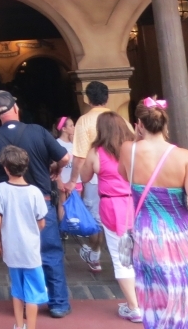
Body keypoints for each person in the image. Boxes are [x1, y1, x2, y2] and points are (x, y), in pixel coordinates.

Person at [118, 97, 188, 329]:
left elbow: (124, 175)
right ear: (165, 124)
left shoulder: (128, 150)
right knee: (185, 290)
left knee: (154, 292)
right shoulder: (183, 156)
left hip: (146, 234)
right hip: (181, 234)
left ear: (139, 123)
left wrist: (137, 139)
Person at [0, 91, 71, 319]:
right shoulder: (37, 131)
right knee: (50, 253)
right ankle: (57, 303)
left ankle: (25, 305)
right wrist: (55, 170)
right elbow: (65, 158)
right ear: (16, 108)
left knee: (17, 257)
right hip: (41, 202)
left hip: (8, 208)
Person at [79, 111, 141, 323]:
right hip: (136, 203)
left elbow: (85, 176)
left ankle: (135, 307)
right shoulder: (134, 149)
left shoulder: (97, 152)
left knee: (121, 257)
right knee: (138, 254)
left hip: (113, 206)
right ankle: (142, 300)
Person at [0, 145, 49, 329]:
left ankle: (18, 324)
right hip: (30, 250)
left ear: (6, 168)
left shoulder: (0, 189)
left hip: (11, 248)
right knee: (32, 292)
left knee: (17, 289)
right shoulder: (35, 192)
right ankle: (30, 326)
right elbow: (41, 222)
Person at [69, 81, 110, 273]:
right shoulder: (118, 119)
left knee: (95, 221)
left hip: (94, 177)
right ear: (107, 97)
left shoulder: (84, 121)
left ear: (87, 98)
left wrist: (73, 180)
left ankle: (95, 256)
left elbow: (79, 156)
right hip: (119, 177)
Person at [53, 117, 76, 214]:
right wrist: (59, 181)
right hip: (64, 180)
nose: (74, 127)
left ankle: (76, 228)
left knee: (76, 204)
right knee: (63, 204)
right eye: (71, 126)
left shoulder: (74, 143)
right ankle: (63, 228)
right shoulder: (57, 143)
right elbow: (54, 164)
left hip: (76, 180)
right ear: (64, 129)